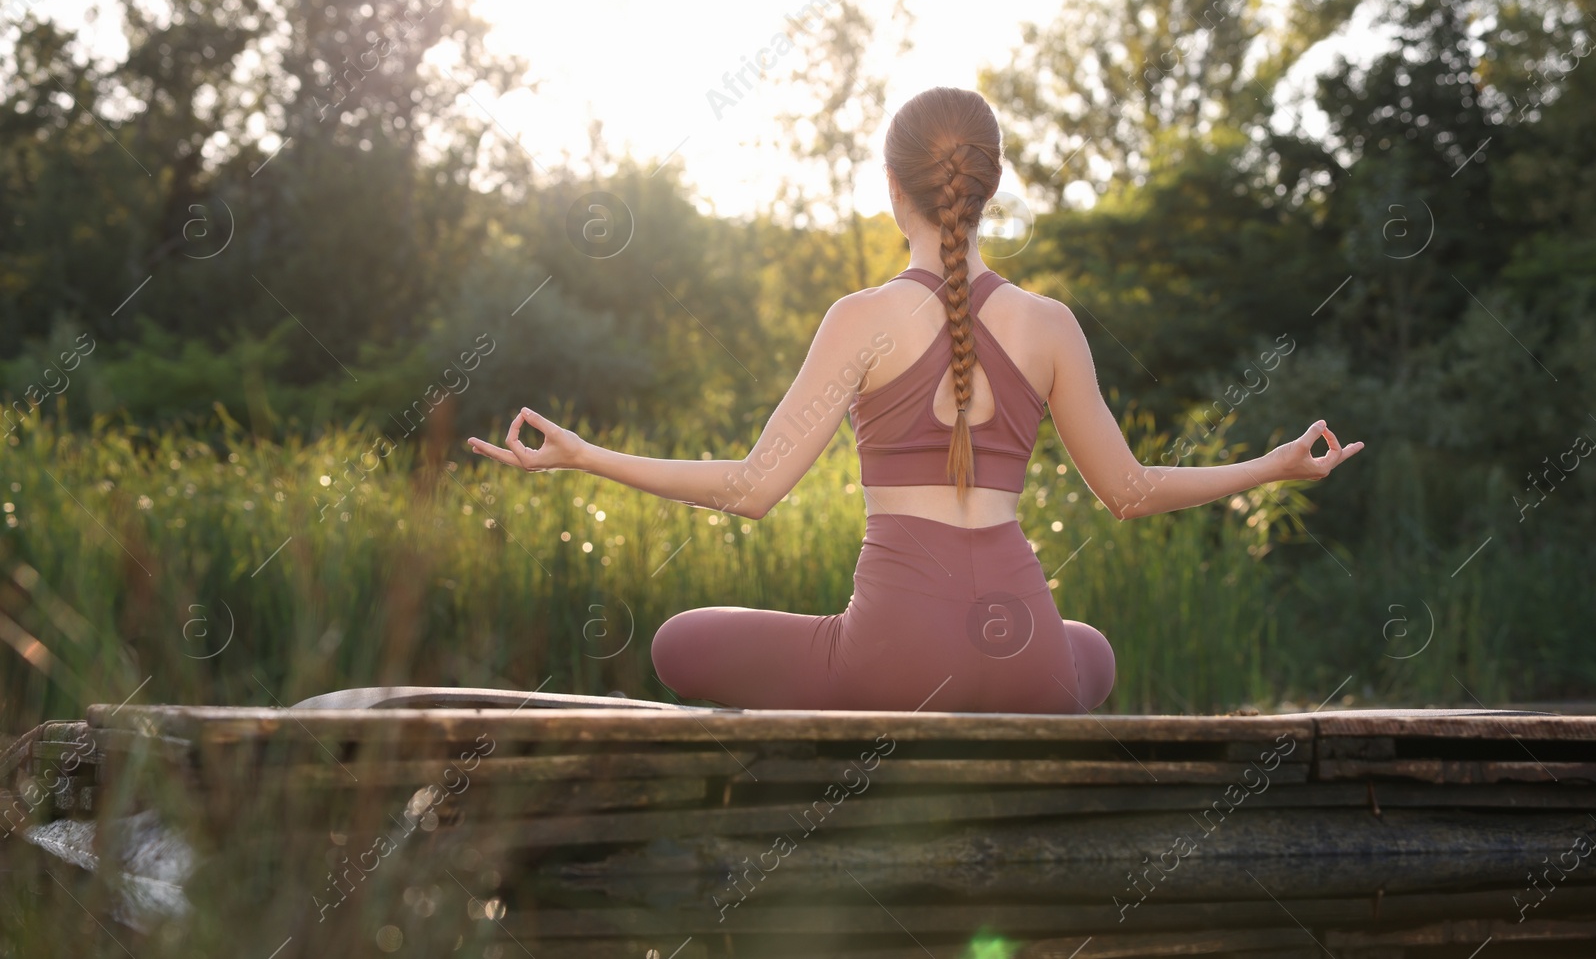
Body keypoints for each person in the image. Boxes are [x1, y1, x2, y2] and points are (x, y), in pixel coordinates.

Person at [468, 86, 1363, 714]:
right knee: (1093, 650)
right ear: (990, 187)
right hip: (1029, 661)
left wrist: (585, 455)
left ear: (894, 190)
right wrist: (1275, 465)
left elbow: (751, 490)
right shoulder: (1051, 324)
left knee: (678, 639)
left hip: (894, 657)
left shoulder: (862, 319)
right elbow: (1128, 493)